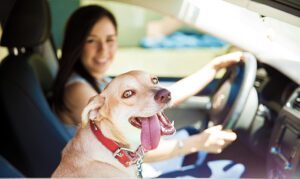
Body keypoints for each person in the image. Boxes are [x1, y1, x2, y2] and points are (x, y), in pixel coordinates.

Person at [52, 5, 244, 178]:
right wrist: (198, 143)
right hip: (116, 168)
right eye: (91, 40)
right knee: (233, 169)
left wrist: (213, 67)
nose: (104, 49)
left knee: (197, 138)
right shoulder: (77, 90)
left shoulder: (100, 80)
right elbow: (136, 152)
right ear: (77, 44)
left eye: (110, 39)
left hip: (130, 165)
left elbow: (167, 95)